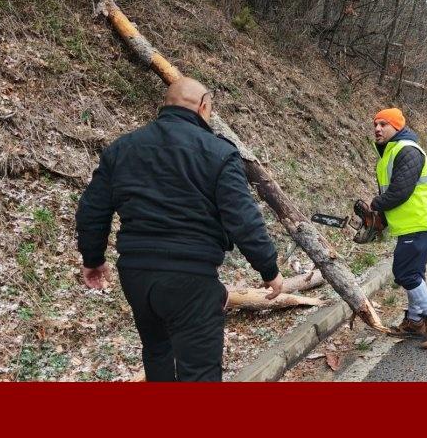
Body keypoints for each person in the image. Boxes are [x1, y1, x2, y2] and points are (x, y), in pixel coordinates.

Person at [75, 77, 283, 381]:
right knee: (199, 373)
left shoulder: (122, 149)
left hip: (137, 276)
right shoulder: (219, 153)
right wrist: (268, 268)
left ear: (165, 105)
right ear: (203, 106)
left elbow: (92, 209)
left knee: (157, 354)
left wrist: (92, 259)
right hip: (191, 279)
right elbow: (243, 218)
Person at [369, 108, 427, 349]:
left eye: (383, 124)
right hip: (414, 221)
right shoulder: (391, 151)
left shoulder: (407, 150)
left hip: (420, 221)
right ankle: (415, 321)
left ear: (397, 126)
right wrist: (382, 217)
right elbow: (394, 191)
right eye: (375, 124)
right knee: (413, 271)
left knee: (404, 272)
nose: (377, 128)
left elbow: (400, 192)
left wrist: (375, 205)